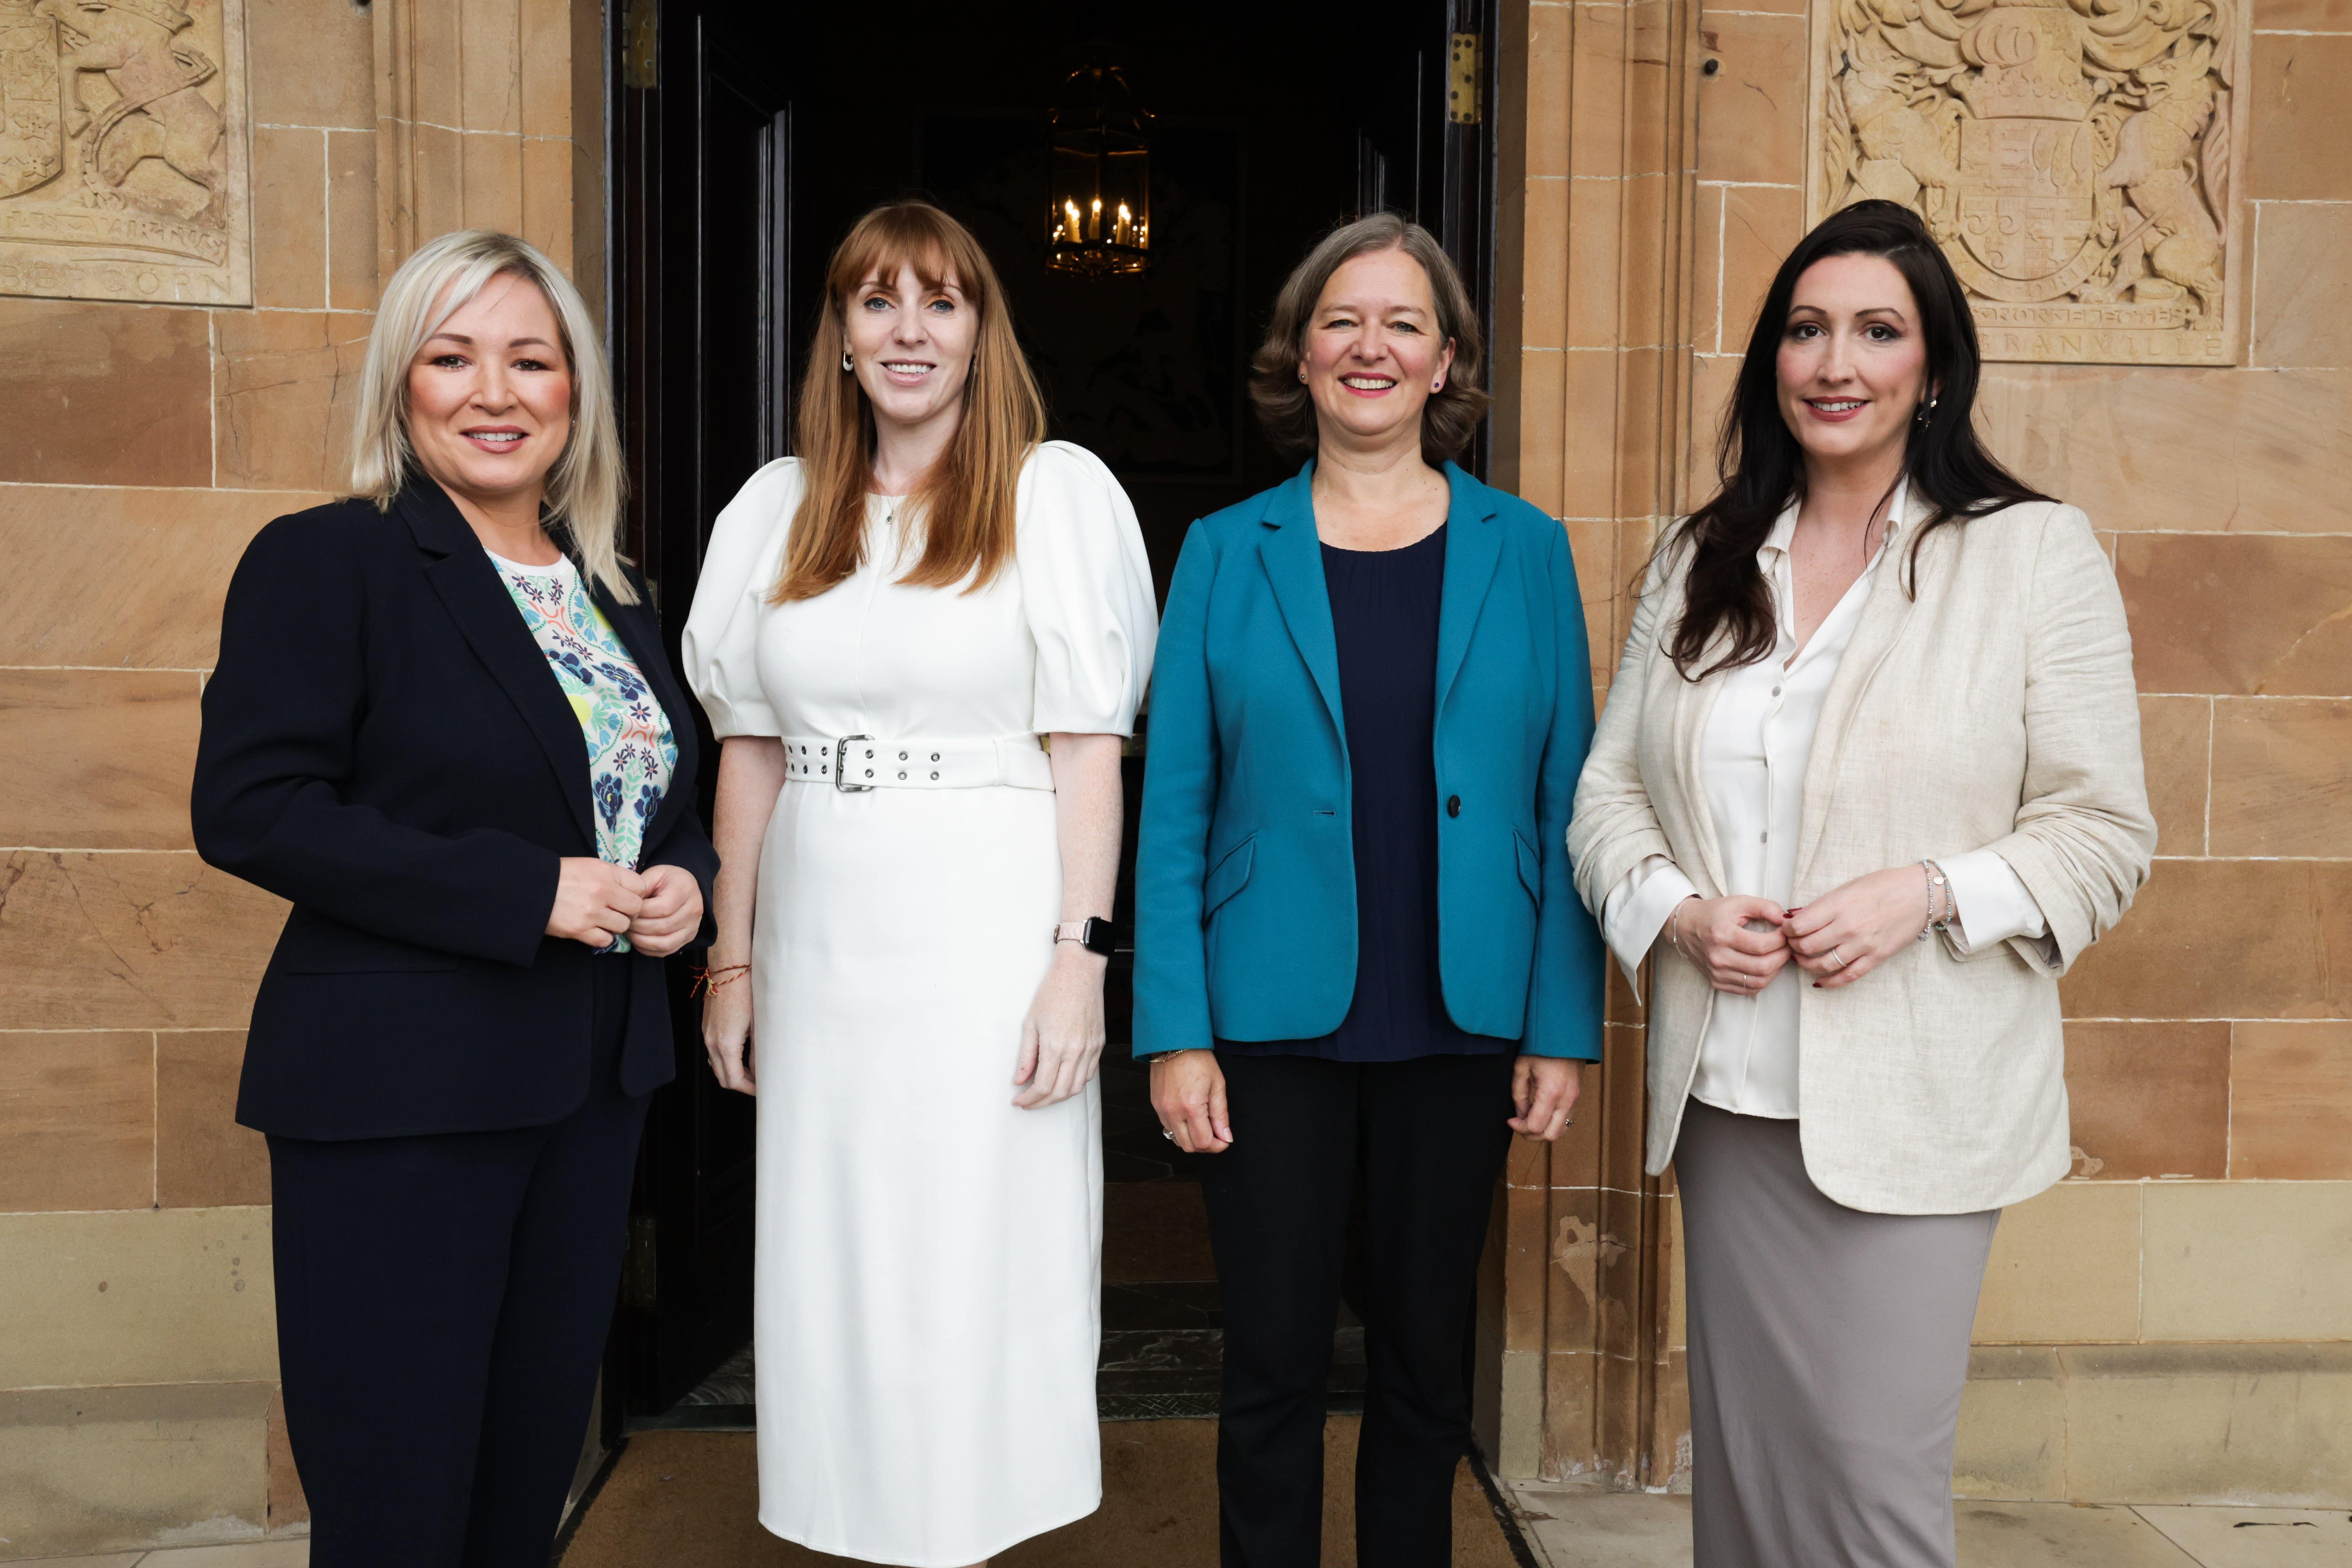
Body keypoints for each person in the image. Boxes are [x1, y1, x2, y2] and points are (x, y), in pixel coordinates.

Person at [1567, 199, 2155, 1568]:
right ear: (1773, 358)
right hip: (1726, 1098)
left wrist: (1929, 891)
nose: (1835, 362)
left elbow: (2100, 830)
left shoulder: (2028, 553)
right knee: (1753, 1479)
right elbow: (1607, 796)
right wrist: (1678, 910)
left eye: (1875, 332)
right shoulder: (1698, 552)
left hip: (1920, 1098)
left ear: (1931, 367)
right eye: (1806, 328)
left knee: (1871, 1486)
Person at [191, 230, 717, 1567]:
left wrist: (684, 887)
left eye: (530, 360)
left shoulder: (615, 593)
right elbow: (251, 807)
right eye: (453, 357)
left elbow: (652, 803)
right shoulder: (329, 559)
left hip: (591, 1091)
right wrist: (527, 889)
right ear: (401, 384)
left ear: (573, 393)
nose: (495, 392)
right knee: (395, 1504)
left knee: (516, 1490)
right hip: (399, 1099)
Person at [683, 200, 1155, 1567]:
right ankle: (858, 1530)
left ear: (978, 334)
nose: (907, 330)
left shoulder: (1050, 491)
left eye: (939, 303)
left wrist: (1079, 956)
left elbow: (1087, 748)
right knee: (838, 1246)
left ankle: (971, 1530)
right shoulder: (777, 509)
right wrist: (732, 955)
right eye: (877, 301)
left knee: (972, 1239)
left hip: (987, 927)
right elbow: (750, 757)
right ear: (837, 333)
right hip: (827, 937)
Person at [1131, 213, 1606, 1568]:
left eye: (1403, 323)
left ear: (1446, 360)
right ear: (1301, 352)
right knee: (1270, 1366)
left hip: (1462, 1017)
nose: (1370, 347)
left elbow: (1563, 794)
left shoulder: (1526, 549)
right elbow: (1173, 809)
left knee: (1421, 1373)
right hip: (1264, 1019)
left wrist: (1560, 1022)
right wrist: (1173, 1027)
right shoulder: (1227, 549)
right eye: (1343, 320)